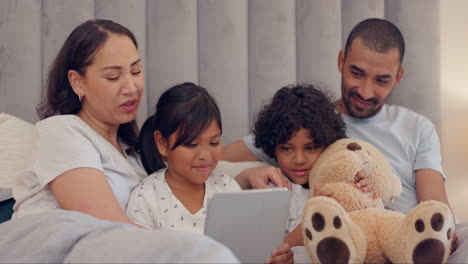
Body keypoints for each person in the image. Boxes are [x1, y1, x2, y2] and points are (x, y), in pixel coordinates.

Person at [2, 19, 238, 263]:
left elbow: (182, 177)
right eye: (114, 77)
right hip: (47, 250)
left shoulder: (134, 156)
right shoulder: (62, 132)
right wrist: (188, 247)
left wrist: (241, 178)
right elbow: (104, 223)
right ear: (77, 82)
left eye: (136, 71)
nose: (131, 87)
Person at [221, 18, 459, 248]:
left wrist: (442, 232)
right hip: (341, 241)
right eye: (356, 73)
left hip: (407, 240)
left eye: (381, 80)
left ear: (398, 77)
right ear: (341, 61)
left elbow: (435, 205)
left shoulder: (418, 128)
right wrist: (247, 174)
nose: (366, 92)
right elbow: (213, 162)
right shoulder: (308, 123)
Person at [127, 82, 293, 264]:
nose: (205, 156)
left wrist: (274, 257)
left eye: (214, 143)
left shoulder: (227, 188)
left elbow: (246, 252)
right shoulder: (145, 198)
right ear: (162, 143)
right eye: (191, 144)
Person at [246, 84, 349, 248]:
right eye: (287, 149)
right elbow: (269, 252)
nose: (299, 159)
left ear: (327, 143)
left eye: (310, 148)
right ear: (273, 146)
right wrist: (317, 214)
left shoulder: (338, 186)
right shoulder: (273, 189)